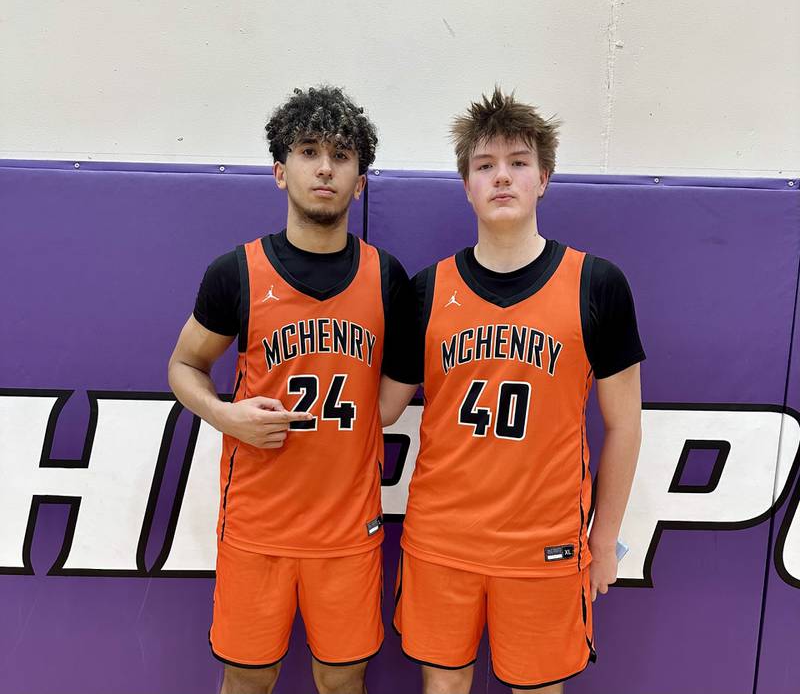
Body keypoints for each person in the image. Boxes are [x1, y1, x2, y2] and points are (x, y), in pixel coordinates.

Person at [380, 87, 645, 693]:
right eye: (485, 166)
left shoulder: (596, 284)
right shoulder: (426, 290)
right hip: (441, 541)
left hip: (545, 544)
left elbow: (625, 424)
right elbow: (383, 409)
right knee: (442, 687)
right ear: (466, 185)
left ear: (543, 178)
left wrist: (603, 541)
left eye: (518, 163)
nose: (502, 177)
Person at [168, 86, 414, 694]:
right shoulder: (237, 272)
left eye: (342, 155)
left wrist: (364, 420)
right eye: (309, 152)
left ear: (361, 181)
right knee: (249, 680)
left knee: (340, 680)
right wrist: (226, 415)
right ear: (281, 171)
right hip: (258, 525)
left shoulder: (386, 277)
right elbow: (183, 368)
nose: (325, 167)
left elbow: (394, 391)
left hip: (346, 528)